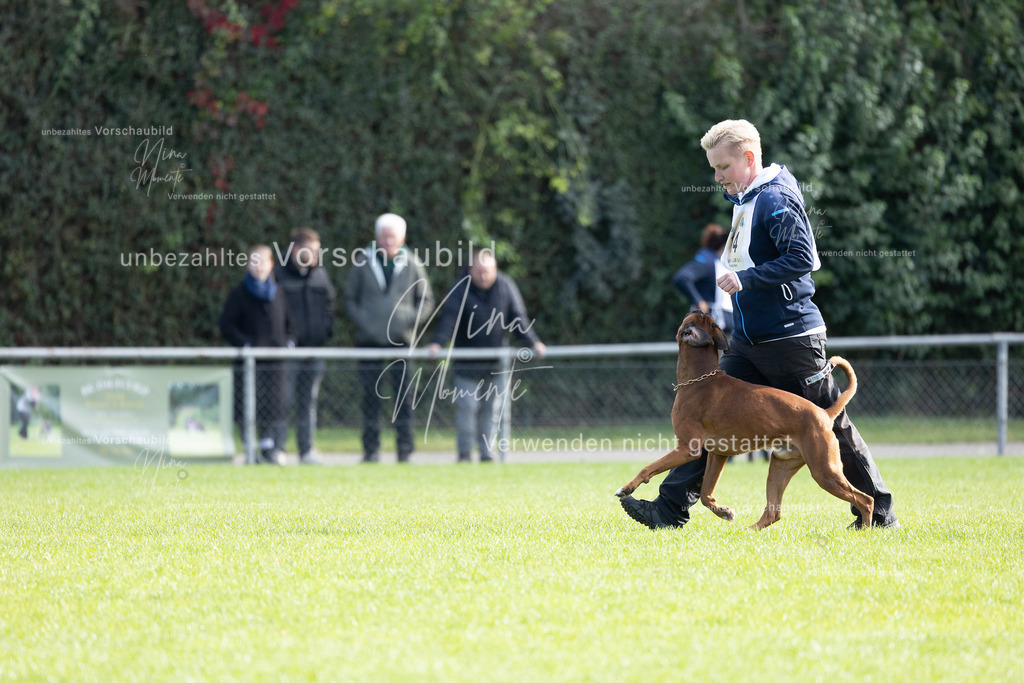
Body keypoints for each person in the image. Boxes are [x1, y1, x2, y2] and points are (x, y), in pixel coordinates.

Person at [620, 119, 898, 530]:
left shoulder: (776, 198)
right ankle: (669, 508)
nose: (717, 177)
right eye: (713, 169)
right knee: (709, 414)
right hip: (749, 340)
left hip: (791, 338)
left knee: (829, 420)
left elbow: (803, 258)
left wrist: (746, 279)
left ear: (749, 159)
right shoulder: (747, 198)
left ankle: (879, 514)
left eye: (723, 167)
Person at [427, 249, 546, 463]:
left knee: (492, 410)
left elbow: (519, 319)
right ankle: (464, 454)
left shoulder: (506, 286)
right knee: (467, 408)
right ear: (470, 270)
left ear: (495, 269)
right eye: (479, 271)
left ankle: (486, 453)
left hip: (496, 364)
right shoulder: (460, 288)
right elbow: (449, 320)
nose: (484, 276)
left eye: (488, 271)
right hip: (466, 364)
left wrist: (533, 342)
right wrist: (437, 343)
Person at [344, 213, 435, 463]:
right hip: (369, 342)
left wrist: (407, 323)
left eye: (392, 236)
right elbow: (349, 299)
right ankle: (371, 450)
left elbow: (426, 301)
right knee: (370, 398)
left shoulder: (413, 263)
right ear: (377, 236)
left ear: (402, 238)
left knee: (404, 399)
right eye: (384, 235)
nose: (388, 240)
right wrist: (366, 322)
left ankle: (405, 451)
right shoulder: (363, 261)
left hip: (401, 344)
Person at [220, 244, 293, 465]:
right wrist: (246, 346)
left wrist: (290, 342)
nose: (258, 266)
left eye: (263, 261)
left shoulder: (279, 292)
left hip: (276, 363)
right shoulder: (239, 294)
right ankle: (251, 449)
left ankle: (272, 448)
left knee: (276, 405)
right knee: (247, 407)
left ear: (271, 265)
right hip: (249, 364)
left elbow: (290, 324)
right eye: (254, 261)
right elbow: (227, 325)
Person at [275, 227, 336, 465]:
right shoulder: (278, 274)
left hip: (314, 350)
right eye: (311, 250)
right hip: (287, 352)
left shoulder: (321, 275)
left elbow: (330, 306)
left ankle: (306, 449)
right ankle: (278, 448)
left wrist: (325, 332)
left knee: (308, 401)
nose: (315, 255)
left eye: (317, 251)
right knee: (282, 400)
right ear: (296, 250)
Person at [671, 223, 733, 333]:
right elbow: (682, 278)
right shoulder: (707, 260)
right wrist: (699, 301)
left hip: (722, 328)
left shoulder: (718, 261)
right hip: (711, 330)